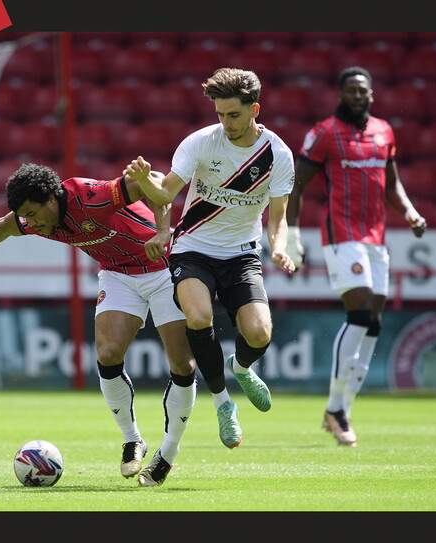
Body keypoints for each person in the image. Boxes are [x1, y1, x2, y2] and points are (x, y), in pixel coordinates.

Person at [0, 163, 196, 487]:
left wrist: (162, 229)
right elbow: (4, 226)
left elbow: (151, 184)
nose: (31, 222)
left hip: (164, 266)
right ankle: (132, 440)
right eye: (24, 215)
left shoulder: (91, 196)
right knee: (108, 353)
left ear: (50, 199)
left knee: (182, 364)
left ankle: (167, 453)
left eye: (32, 212)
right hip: (118, 274)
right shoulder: (38, 220)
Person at [124, 67, 297, 450]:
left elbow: (278, 218)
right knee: (199, 318)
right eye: (219, 114)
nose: (225, 123)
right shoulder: (201, 142)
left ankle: (242, 367)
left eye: (233, 115)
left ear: (255, 110)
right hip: (193, 248)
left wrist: (280, 248)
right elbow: (166, 193)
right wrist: (145, 180)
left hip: (241, 255)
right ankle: (222, 402)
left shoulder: (277, 155)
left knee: (259, 334)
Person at [285, 66, 428, 447]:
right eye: (351, 90)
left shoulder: (384, 131)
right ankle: (335, 407)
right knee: (360, 313)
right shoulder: (325, 133)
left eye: (363, 90)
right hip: (341, 235)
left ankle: (341, 410)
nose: (358, 96)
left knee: (375, 323)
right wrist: (291, 236)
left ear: (372, 94)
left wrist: (410, 212)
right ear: (340, 93)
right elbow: (295, 188)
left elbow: (393, 184)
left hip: (376, 238)